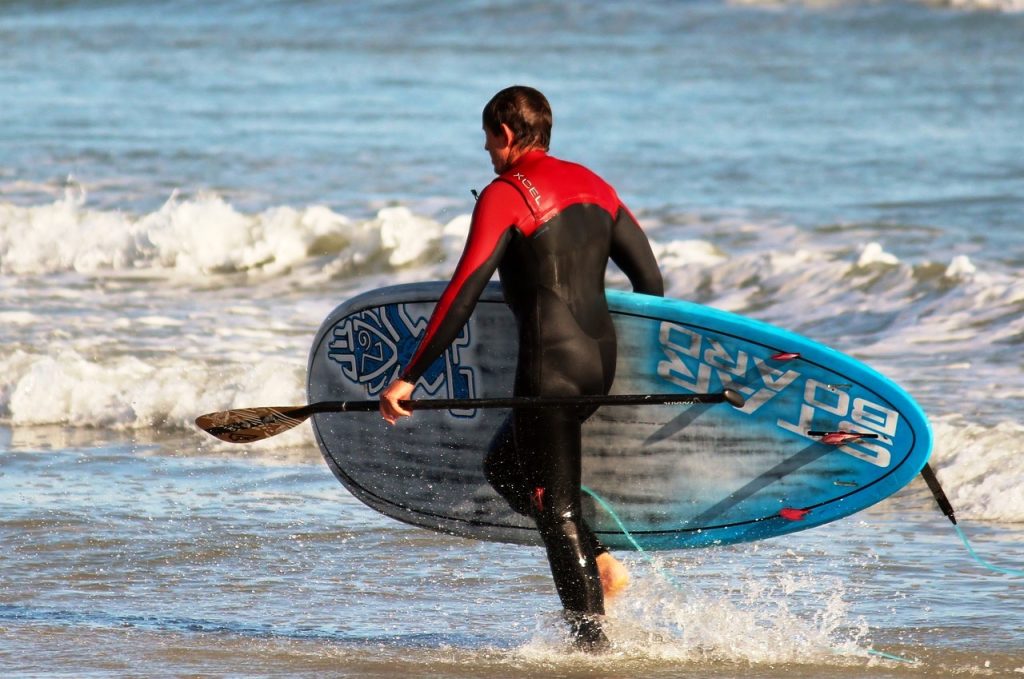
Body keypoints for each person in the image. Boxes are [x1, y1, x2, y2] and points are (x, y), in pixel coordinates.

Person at [379, 85, 663, 651]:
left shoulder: (505, 194)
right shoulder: (596, 185)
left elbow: (462, 292)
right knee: (507, 467)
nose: (485, 151)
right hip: (597, 367)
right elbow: (651, 283)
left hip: (548, 373)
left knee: (551, 506)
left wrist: (410, 375)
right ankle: (602, 564)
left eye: (487, 139)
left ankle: (591, 648)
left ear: (505, 135)